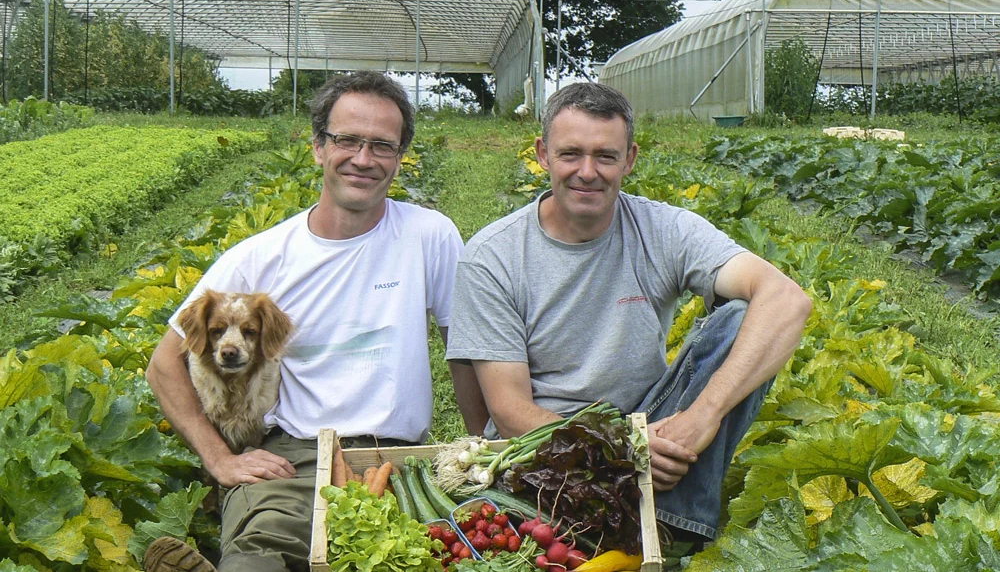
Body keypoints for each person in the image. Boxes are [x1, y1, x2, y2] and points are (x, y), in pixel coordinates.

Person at [144, 71, 489, 572]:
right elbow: (162, 365)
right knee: (258, 558)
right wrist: (220, 458)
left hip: (396, 461)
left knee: (406, 559)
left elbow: (465, 348)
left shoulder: (428, 235)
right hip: (295, 458)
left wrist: (483, 449)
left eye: (382, 146)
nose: (364, 159)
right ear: (318, 148)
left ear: (399, 157)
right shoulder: (261, 259)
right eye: (347, 140)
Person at [445, 82, 811, 549]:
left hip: (651, 423)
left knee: (742, 319)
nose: (587, 172)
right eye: (570, 153)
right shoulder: (493, 257)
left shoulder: (664, 228)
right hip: (546, 445)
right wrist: (624, 448)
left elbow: (788, 300)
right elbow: (511, 412)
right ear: (542, 153)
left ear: (630, 159)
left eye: (606, 156)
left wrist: (703, 416)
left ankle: (670, 524)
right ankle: (661, 531)